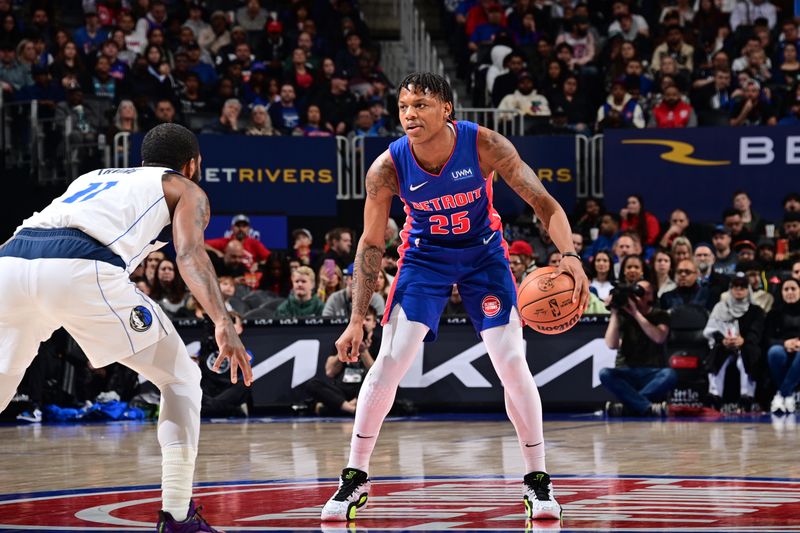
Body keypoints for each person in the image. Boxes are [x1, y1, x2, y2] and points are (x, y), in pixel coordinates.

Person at [320, 72, 588, 522]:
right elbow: (370, 245)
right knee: (390, 359)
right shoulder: (386, 168)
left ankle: (537, 480)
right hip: (424, 258)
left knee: (510, 361)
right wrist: (354, 319)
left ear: (447, 109)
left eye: (421, 105)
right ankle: (355, 477)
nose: (410, 114)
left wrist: (570, 255)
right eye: (404, 106)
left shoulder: (485, 145)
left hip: (484, 255)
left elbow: (544, 203)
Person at [0, 123, 251, 531]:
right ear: (192, 164)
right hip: (79, 264)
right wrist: (223, 321)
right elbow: (189, 255)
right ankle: (177, 516)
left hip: (11, 260)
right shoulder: (185, 188)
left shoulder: (94, 176)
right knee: (181, 376)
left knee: (1, 382)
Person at [600, 280, 675, 416]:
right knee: (604, 373)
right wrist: (615, 312)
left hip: (652, 372)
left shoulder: (661, 315)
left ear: (651, 296)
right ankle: (645, 407)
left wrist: (636, 314)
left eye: (642, 293)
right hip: (626, 370)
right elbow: (611, 344)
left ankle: (628, 407)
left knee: (669, 375)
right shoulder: (622, 316)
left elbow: (659, 337)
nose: (637, 297)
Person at [703, 272, 765, 412]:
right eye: (735, 286)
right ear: (730, 289)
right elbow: (712, 329)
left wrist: (743, 341)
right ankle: (714, 396)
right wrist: (723, 340)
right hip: (724, 345)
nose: (739, 290)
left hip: (746, 346)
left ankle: (747, 397)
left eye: (742, 286)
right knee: (717, 354)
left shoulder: (755, 311)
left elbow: (756, 332)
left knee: (745, 357)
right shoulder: (720, 308)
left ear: (748, 289)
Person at [306, 309, 378, 416]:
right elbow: (330, 372)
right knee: (313, 384)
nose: (363, 323)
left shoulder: (379, 343)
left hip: (363, 390)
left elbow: (378, 375)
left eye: (367, 319)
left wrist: (363, 351)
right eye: (360, 319)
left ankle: (340, 408)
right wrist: (343, 349)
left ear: (374, 324)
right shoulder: (343, 341)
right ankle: (352, 410)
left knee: (383, 386)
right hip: (342, 390)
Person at [766, 278, 800, 414]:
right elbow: (767, 339)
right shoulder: (774, 313)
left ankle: (783, 394)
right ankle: (789, 394)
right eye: (786, 289)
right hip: (782, 348)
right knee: (774, 352)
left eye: (793, 289)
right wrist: (784, 343)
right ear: (781, 292)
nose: (789, 292)